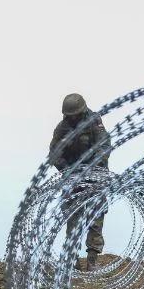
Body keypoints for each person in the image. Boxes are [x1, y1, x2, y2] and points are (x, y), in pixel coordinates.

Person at [49, 93, 111, 270]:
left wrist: (93, 167)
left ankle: (92, 259)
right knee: (73, 218)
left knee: (96, 219)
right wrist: (67, 170)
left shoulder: (94, 123)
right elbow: (54, 152)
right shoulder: (62, 128)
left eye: (75, 114)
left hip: (95, 177)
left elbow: (105, 146)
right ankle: (72, 258)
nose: (73, 118)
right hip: (72, 179)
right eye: (70, 115)